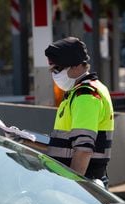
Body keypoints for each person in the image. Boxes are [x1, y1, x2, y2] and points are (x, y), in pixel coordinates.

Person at [44, 36, 114, 188]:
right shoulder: (79, 91)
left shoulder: (86, 96)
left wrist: (73, 189)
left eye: (57, 69)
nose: (54, 74)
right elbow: (65, 144)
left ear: (76, 66)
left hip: (84, 186)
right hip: (86, 182)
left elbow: (83, 151)